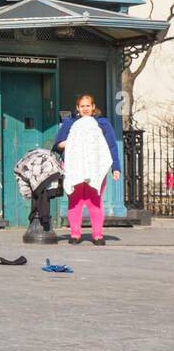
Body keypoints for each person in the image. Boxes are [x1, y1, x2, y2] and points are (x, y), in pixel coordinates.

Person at [53, 94, 121, 246]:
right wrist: (69, 143)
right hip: (74, 167)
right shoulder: (69, 123)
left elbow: (111, 146)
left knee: (94, 201)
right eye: (82, 106)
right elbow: (57, 144)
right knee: (75, 201)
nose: (85, 109)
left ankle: (98, 235)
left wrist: (116, 167)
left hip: (95, 168)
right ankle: (75, 234)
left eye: (88, 106)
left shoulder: (102, 123)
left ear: (93, 106)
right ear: (77, 108)